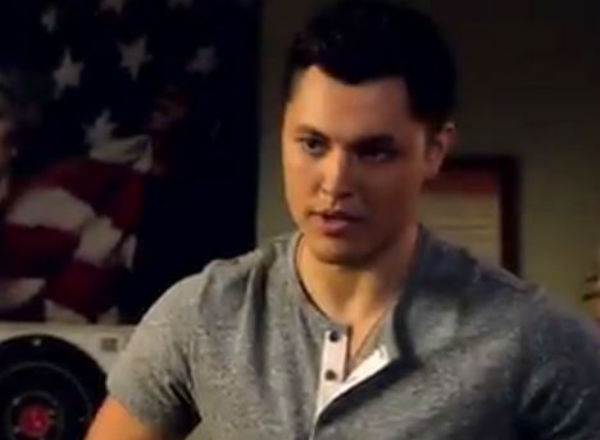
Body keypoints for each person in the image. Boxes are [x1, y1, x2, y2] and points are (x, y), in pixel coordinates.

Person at [85, 1, 600, 439]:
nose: (335, 183)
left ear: (434, 151)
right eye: (313, 144)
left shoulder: (530, 337)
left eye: (374, 152)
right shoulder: (204, 313)